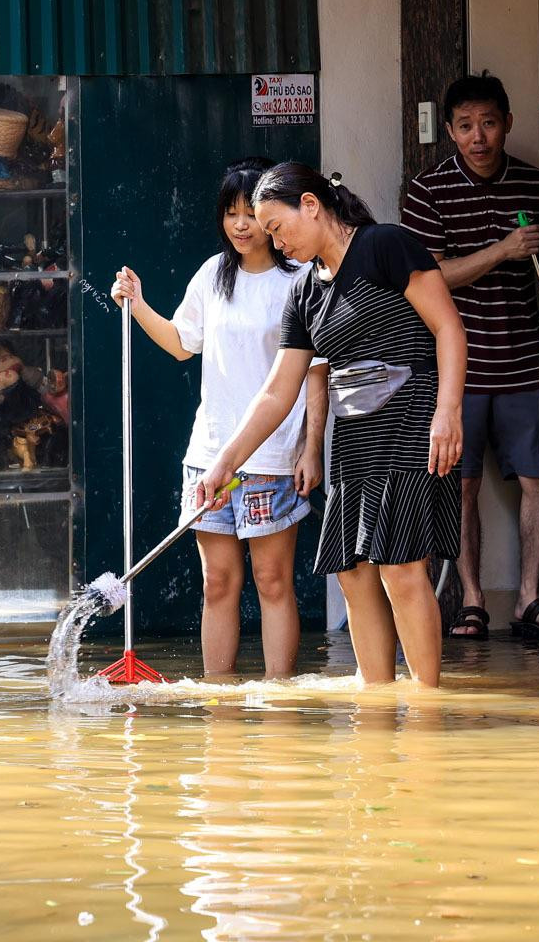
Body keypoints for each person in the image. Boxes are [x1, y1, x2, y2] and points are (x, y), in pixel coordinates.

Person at [195, 164, 465, 688]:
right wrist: (224, 463)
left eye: (277, 228)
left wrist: (448, 411)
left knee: (401, 568)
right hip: (355, 435)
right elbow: (277, 392)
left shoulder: (385, 245)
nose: (276, 242)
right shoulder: (304, 292)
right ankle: (378, 699)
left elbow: (448, 327)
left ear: (311, 206)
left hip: (413, 419)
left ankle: (427, 705)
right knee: (353, 573)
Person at [111, 159, 327, 679]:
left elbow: (316, 373)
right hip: (209, 456)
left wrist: (311, 446)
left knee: (273, 582)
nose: (241, 225)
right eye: (231, 214)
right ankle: (219, 699)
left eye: (250, 213)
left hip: (273, 459)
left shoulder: (299, 279)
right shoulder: (213, 274)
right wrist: (136, 304)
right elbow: (181, 343)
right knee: (218, 584)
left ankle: (279, 698)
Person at [400, 74, 539, 642]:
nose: (479, 137)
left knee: (537, 482)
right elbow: (430, 278)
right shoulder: (427, 191)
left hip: (525, 359)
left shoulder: (535, 184)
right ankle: (472, 599)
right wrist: (502, 250)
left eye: (489, 123)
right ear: (450, 131)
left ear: (508, 124)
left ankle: (530, 597)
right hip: (458, 369)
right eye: (467, 126)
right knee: (461, 486)